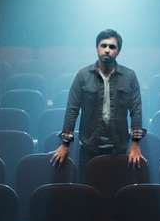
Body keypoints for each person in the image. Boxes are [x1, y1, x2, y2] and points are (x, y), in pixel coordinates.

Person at [50, 29, 147, 177]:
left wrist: (135, 144)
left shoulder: (129, 76)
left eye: (112, 47)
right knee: (88, 193)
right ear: (97, 48)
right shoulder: (82, 76)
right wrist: (65, 144)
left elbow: (136, 110)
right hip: (89, 147)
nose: (107, 50)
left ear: (118, 51)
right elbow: (72, 109)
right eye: (104, 45)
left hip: (119, 147)